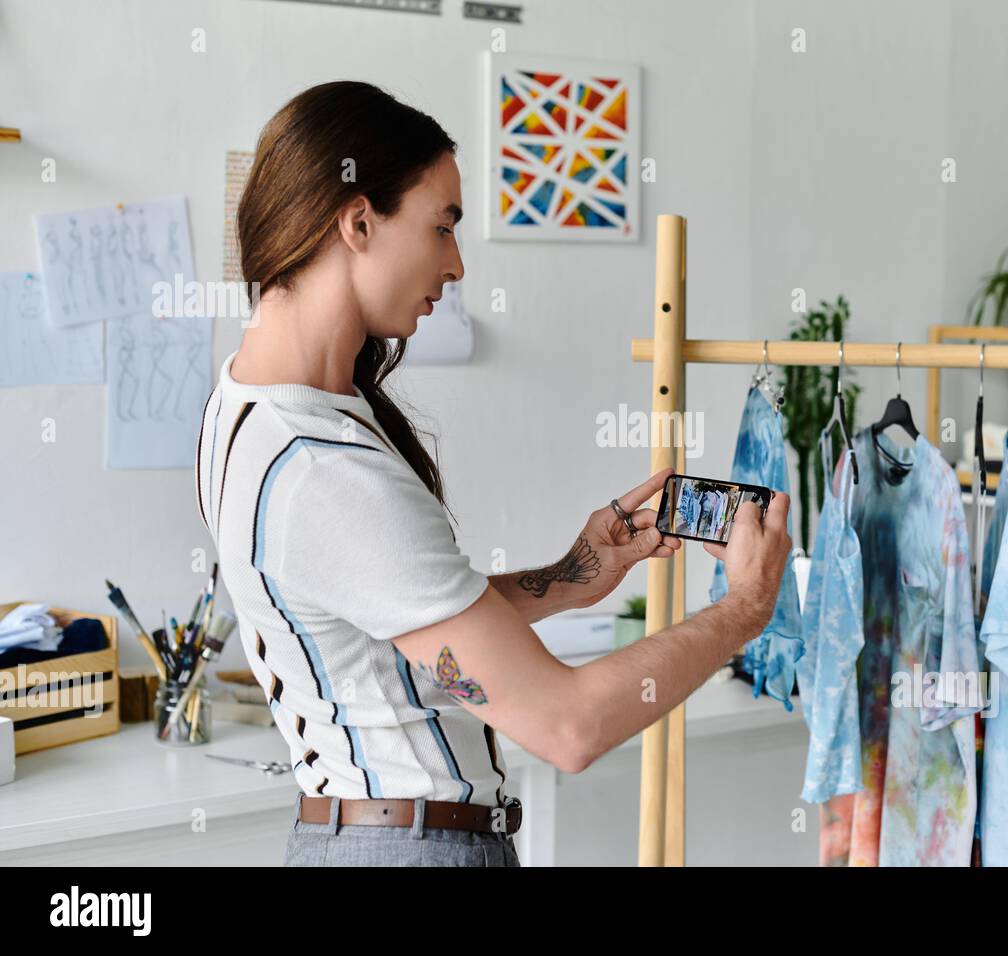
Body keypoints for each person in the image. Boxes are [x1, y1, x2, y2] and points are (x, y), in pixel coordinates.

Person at [194, 80, 791, 867]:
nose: (456, 262)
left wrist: (572, 576)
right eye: (442, 227)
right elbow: (568, 727)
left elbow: (409, 618)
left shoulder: (248, 407)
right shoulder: (321, 472)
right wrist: (745, 610)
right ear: (359, 221)